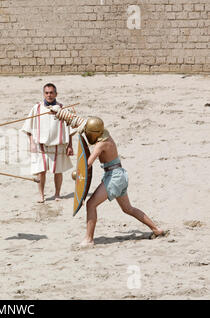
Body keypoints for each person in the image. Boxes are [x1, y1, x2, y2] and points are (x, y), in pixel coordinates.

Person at [49, 107, 166, 246]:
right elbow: (80, 122)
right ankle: (156, 229)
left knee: (91, 204)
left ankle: (89, 239)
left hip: (114, 176)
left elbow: (87, 164)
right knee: (128, 209)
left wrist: (78, 173)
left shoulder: (101, 144)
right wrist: (61, 114)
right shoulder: (104, 133)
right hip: (119, 174)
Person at [21, 83, 74, 203]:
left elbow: (70, 129)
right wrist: (32, 143)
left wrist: (70, 145)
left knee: (58, 171)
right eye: (46, 93)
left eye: (51, 92)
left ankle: (57, 194)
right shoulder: (37, 108)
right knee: (41, 171)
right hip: (41, 145)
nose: (49, 95)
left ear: (56, 94)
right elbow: (28, 127)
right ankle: (41, 195)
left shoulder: (63, 108)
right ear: (43, 94)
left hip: (58, 145)